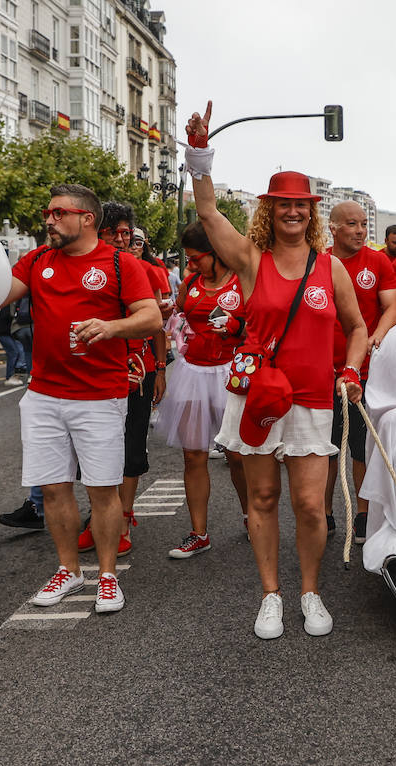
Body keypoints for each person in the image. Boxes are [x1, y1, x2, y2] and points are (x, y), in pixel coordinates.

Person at [185, 101, 368, 640]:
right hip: (258, 397)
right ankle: (271, 594)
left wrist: (352, 370)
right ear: (270, 210)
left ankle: (309, 591)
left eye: (301, 205)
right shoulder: (250, 259)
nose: (293, 212)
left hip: (311, 398)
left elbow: (357, 327)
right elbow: (208, 212)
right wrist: (199, 153)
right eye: (283, 204)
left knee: (310, 505)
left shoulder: (330, 268)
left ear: (313, 212)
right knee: (262, 498)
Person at [4, 184, 161, 615]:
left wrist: (111, 328)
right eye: (47, 213)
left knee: (103, 491)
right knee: (54, 489)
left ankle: (107, 576)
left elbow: (150, 316)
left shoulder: (121, 263)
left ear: (86, 218)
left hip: (99, 396)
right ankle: (69, 570)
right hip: (43, 394)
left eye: (58, 213)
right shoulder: (37, 260)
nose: (49, 220)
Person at [75, 202, 172, 559]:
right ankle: (99, 516)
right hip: (93, 370)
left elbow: (157, 325)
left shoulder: (146, 271)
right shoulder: (79, 270)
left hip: (137, 369)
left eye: (126, 233)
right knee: (94, 448)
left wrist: (160, 368)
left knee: (131, 445)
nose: (121, 239)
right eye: (112, 233)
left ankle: (124, 517)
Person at [151, 219, 249, 559]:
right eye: (189, 259)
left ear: (217, 252)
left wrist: (236, 328)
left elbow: (263, 326)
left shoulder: (243, 280)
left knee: (237, 456)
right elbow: (176, 315)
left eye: (196, 258)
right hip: (192, 372)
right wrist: (170, 312)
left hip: (230, 374)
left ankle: (253, 518)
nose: (190, 266)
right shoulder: (191, 282)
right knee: (193, 455)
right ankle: (199, 533)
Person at [324, 201, 396, 543]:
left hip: (363, 370)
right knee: (324, 448)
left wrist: (377, 336)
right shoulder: (320, 261)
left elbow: (391, 306)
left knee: (361, 447)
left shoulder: (378, 261)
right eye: (351, 224)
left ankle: (363, 516)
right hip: (322, 370)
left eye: (363, 224)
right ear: (333, 228)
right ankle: (324, 513)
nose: (360, 231)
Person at [0, 303, 26, 387]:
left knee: (16, 352)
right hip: (2, 332)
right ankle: (10, 376)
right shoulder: (10, 306)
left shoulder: (11, 305)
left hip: (6, 332)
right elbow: (9, 317)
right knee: (13, 352)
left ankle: (13, 375)